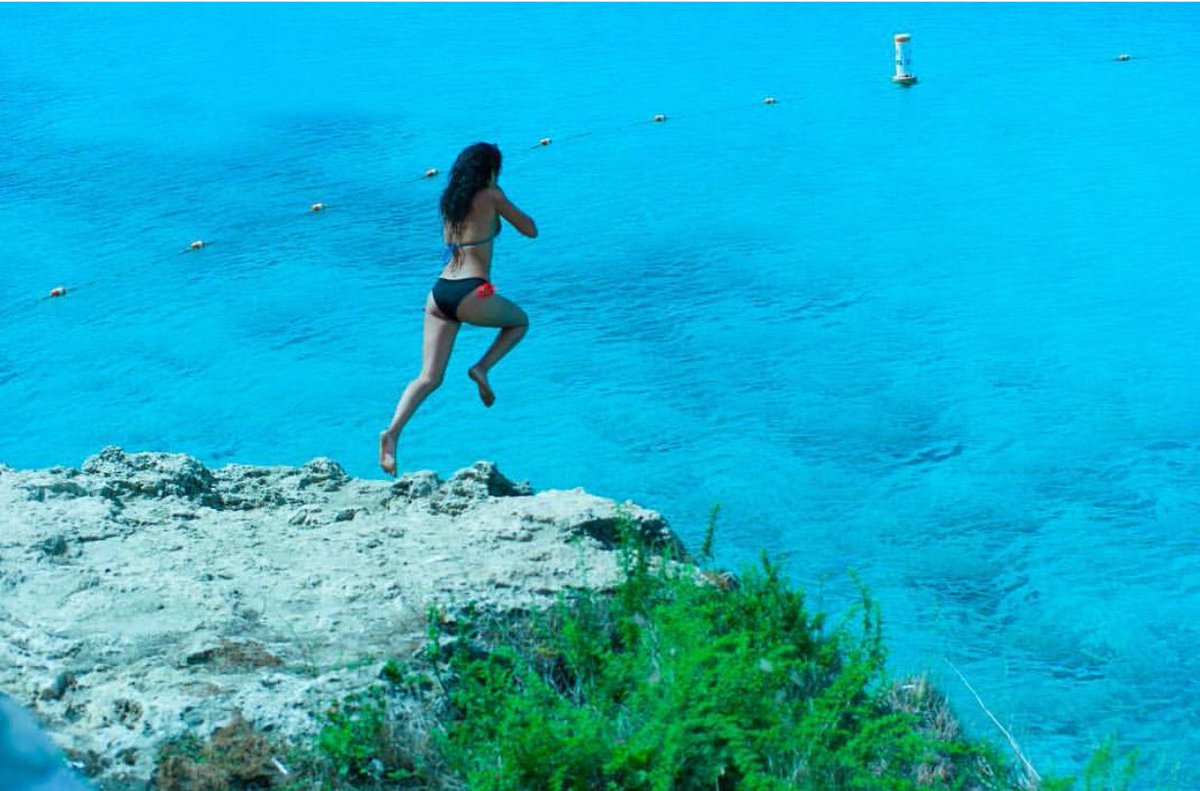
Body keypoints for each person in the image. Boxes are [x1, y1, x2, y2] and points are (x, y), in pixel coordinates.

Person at [379, 142, 537, 477]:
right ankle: (481, 368)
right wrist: (499, 200)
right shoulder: (491, 195)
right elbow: (530, 229)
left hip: (439, 294)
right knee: (519, 322)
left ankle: (392, 435)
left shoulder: (450, 201)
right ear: (490, 170)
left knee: (428, 377)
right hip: (473, 291)